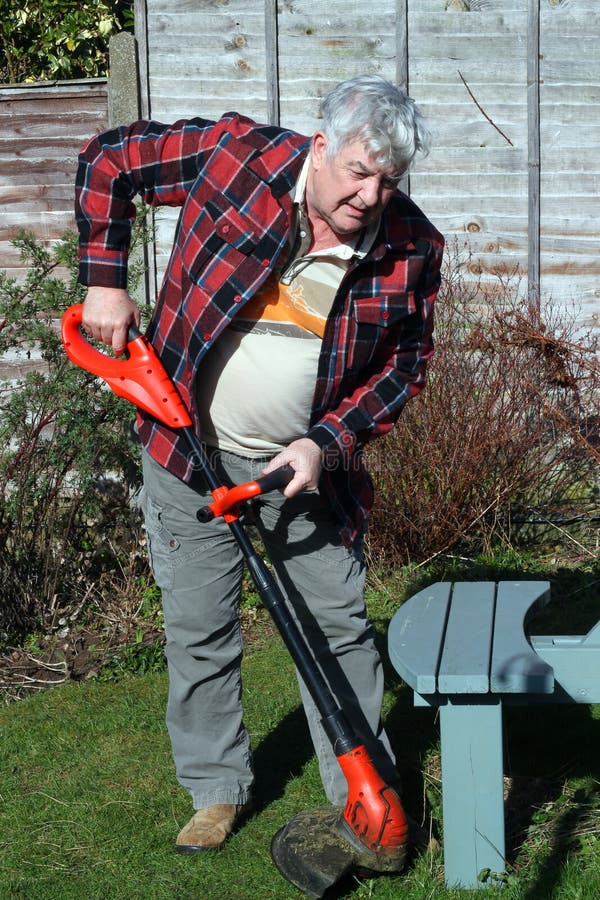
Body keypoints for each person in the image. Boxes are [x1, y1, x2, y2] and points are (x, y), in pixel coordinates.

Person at [76, 74, 444, 855]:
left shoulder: (412, 247)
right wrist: (104, 281)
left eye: (388, 179)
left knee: (338, 629)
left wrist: (328, 442)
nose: (370, 194)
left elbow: (403, 368)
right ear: (320, 148)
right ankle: (215, 790)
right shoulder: (234, 159)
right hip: (187, 455)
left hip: (307, 475)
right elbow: (111, 159)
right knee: (198, 629)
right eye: (357, 171)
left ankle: (362, 797)